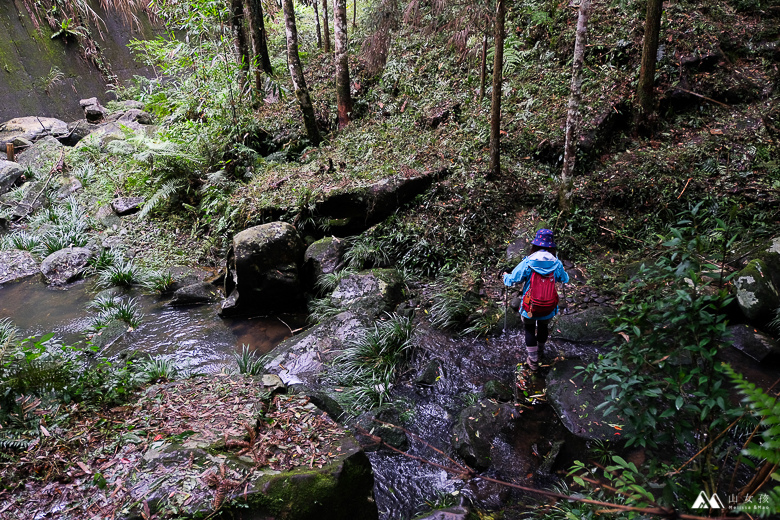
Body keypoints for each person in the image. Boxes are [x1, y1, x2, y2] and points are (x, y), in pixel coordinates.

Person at [503, 229, 569, 370]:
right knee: (543, 326)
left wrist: (505, 276)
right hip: (549, 306)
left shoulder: (528, 262)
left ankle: (533, 360)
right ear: (552, 247)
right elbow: (564, 278)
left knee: (529, 328)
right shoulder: (556, 263)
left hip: (530, 306)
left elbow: (513, 280)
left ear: (535, 245)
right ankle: (540, 350)